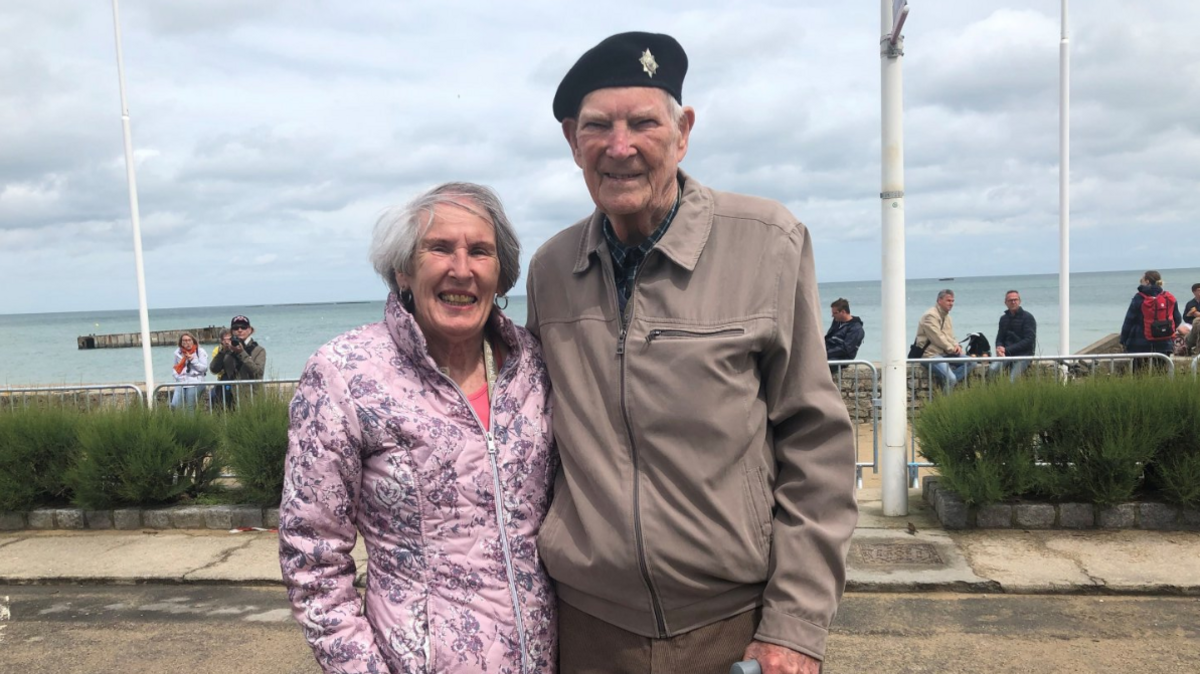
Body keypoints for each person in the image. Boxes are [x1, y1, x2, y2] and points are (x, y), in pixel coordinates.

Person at [526, 32, 857, 674]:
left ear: (682, 132)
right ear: (573, 141)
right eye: (598, 126)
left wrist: (794, 625)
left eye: (643, 123)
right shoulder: (550, 269)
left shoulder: (767, 241)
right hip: (587, 628)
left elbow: (815, 444)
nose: (620, 146)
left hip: (730, 627)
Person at [279, 183, 557, 673]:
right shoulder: (344, 372)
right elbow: (313, 559)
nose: (461, 269)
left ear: (501, 273)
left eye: (480, 251)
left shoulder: (532, 364)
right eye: (440, 248)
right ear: (403, 270)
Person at [1119, 270, 1182, 372]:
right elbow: (1177, 319)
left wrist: (1123, 340)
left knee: (1139, 373)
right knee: (1160, 373)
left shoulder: (1139, 298)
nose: (1141, 282)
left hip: (1140, 344)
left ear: (1147, 281)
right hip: (1164, 344)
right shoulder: (1168, 297)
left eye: (1142, 280)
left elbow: (1129, 321)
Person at [917, 289, 974, 392]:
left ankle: (948, 383)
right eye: (948, 301)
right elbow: (937, 337)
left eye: (952, 301)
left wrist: (957, 346)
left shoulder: (947, 316)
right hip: (930, 355)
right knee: (950, 378)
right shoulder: (930, 316)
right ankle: (944, 402)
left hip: (945, 353)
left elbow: (950, 336)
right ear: (939, 300)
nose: (951, 303)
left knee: (971, 362)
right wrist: (952, 348)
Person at [208, 315, 266, 404]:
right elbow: (214, 369)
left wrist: (241, 353)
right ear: (232, 331)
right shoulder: (228, 350)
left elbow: (257, 373)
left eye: (243, 327)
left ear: (250, 330)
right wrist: (223, 351)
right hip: (230, 397)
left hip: (251, 397)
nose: (240, 330)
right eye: (236, 328)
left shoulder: (258, 350)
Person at [987, 290, 1037, 381]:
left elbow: (1029, 340)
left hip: (1024, 355)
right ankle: (992, 393)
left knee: (1012, 379)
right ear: (1005, 302)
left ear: (1019, 301)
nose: (1013, 302)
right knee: (992, 369)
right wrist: (999, 348)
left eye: (1015, 299)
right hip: (1006, 355)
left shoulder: (1028, 317)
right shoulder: (1003, 319)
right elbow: (1000, 337)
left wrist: (1006, 349)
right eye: (1010, 300)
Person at [169, 332, 208, 410]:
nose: (187, 343)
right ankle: (180, 420)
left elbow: (204, 368)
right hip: (181, 381)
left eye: (189, 340)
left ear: (193, 341)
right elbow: (175, 367)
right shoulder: (178, 353)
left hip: (195, 381)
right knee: (175, 405)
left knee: (190, 407)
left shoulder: (200, 351)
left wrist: (193, 360)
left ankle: (191, 421)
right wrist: (177, 377)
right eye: (184, 340)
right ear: (181, 342)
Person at [824, 298, 865, 362]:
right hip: (829, 352)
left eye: (835, 313)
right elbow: (829, 337)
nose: (832, 315)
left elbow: (845, 349)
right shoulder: (837, 322)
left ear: (843, 312)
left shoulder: (856, 329)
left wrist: (825, 353)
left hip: (840, 359)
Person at [206, 329, 235, 409]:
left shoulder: (237, 348)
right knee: (214, 397)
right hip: (222, 379)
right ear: (221, 341)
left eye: (229, 339)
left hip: (235, 378)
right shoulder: (217, 350)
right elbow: (215, 369)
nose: (227, 342)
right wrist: (223, 351)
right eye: (225, 340)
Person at [1183, 283, 1200, 355]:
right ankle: (1193, 336)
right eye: (1198, 290)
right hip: (1191, 323)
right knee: (1180, 329)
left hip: (1198, 323)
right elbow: (1185, 318)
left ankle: (1190, 341)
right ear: (1194, 292)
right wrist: (1189, 314)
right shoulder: (1190, 303)